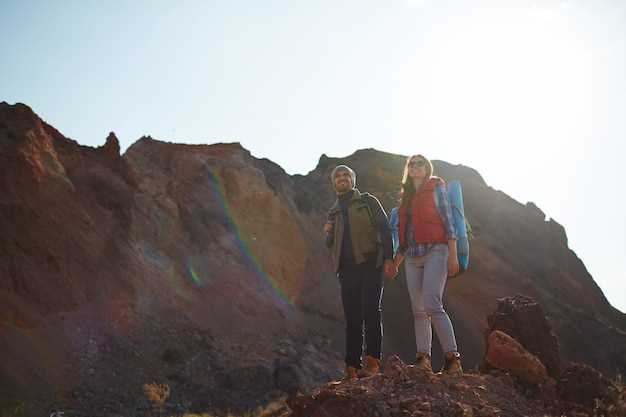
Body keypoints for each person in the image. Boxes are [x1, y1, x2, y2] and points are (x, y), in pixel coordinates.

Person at [390, 154, 463, 376]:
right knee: (418, 310)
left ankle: (453, 359)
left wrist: (453, 255)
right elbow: (404, 238)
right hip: (412, 257)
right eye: (411, 164)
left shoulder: (436, 188)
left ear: (427, 168)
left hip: (436, 251)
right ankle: (423, 359)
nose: (415, 167)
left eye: (419, 163)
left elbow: (449, 222)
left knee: (432, 303)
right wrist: (395, 264)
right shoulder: (404, 199)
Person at [324, 164, 394, 380]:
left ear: (353, 180)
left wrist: (390, 259)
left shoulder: (367, 201)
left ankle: (372, 362)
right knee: (352, 318)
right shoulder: (333, 212)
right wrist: (327, 234)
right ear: (334, 183)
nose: (342, 178)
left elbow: (385, 228)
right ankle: (352, 368)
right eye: (338, 176)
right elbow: (331, 243)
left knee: (371, 312)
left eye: (347, 175)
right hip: (346, 270)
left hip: (371, 264)